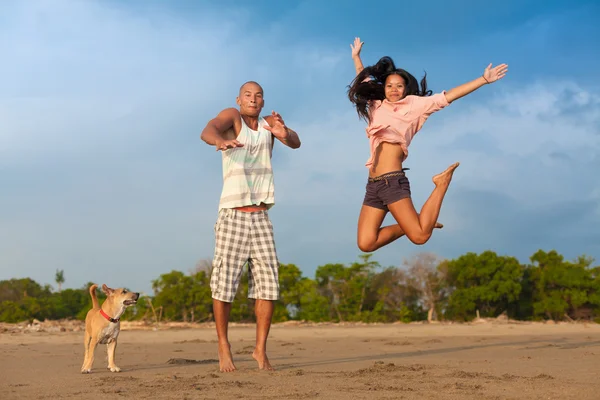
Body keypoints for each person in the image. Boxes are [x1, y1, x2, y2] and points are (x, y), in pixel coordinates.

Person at [348, 37, 508, 252]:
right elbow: (363, 80)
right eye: (389, 85)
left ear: (406, 89)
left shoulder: (416, 105)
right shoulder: (376, 105)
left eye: (399, 86)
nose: (394, 89)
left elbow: (449, 96)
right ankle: (418, 221)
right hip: (373, 184)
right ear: (383, 88)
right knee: (366, 243)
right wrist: (357, 57)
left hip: (392, 181)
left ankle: (441, 183)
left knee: (421, 236)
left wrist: (483, 79)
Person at [200, 81, 301, 372]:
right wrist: (219, 141)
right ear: (239, 99)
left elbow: (295, 142)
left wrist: (285, 133)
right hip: (232, 214)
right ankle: (223, 345)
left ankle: (260, 350)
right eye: (248, 95)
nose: (253, 100)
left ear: (263, 100)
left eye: (258, 96)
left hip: (261, 217)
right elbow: (208, 129)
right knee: (224, 285)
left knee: (268, 286)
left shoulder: (269, 124)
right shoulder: (232, 117)